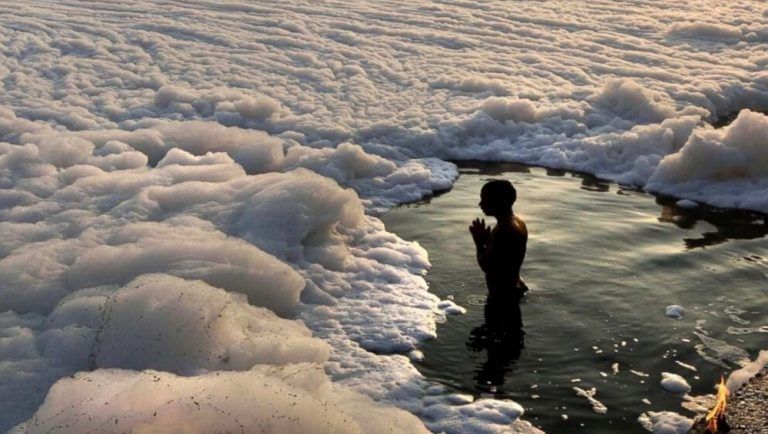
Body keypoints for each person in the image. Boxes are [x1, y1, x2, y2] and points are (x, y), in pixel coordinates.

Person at [468, 179, 528, 329]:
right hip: (514, 287)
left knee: (500, 347)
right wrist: (489, 242)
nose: (480, 204)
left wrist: (479, 243)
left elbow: (488, 266)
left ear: (499, 201)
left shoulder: (504, 230)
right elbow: (505, 258)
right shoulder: (517, 222)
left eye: (485, 199)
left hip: (503, 297)